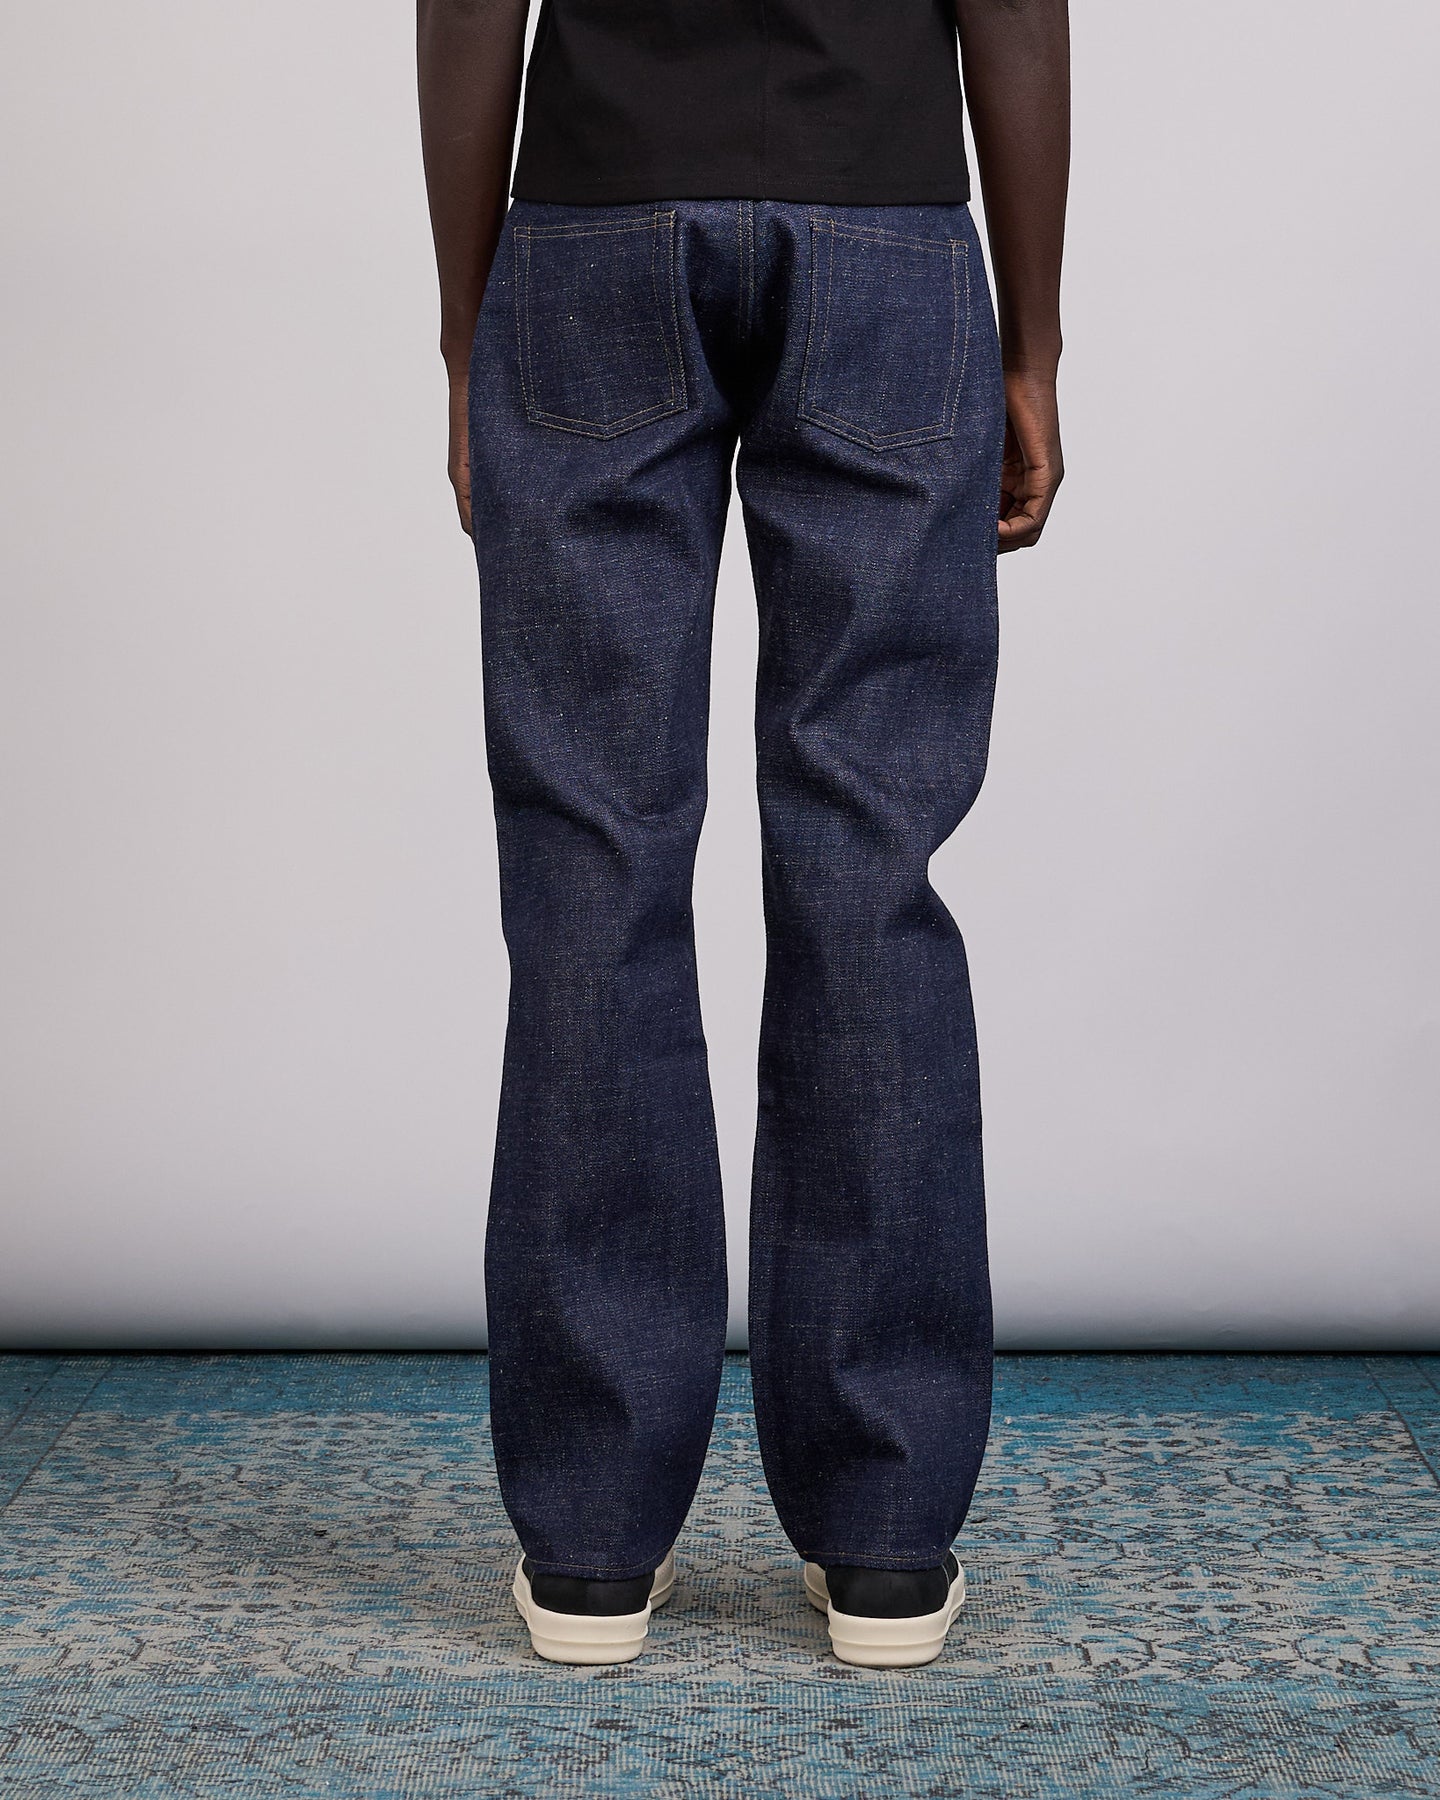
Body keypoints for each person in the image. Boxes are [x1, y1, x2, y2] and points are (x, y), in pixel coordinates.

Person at [417, 0, 1068, 1669]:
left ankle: (591, 1545)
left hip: (592, 230)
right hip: (889, 234)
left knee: (592, 861)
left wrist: (466, 332)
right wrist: (1034, 345)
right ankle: (886, 1536)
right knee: (871, 865)